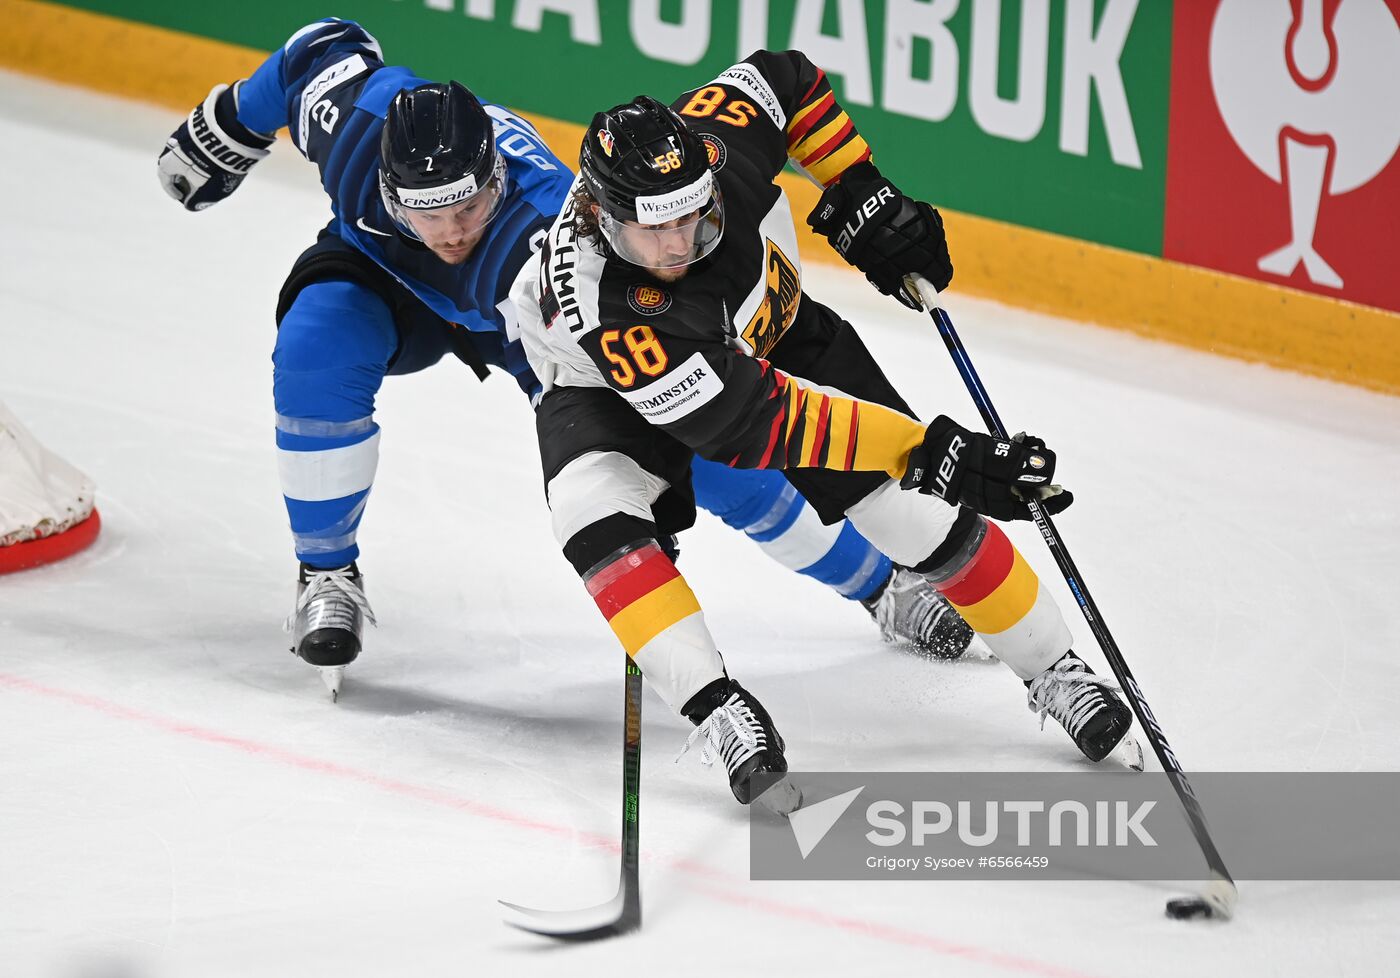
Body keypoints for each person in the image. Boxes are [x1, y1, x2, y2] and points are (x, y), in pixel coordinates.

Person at [153, 19, 973, 698]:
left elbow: (671, 386)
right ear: (389, 189)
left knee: (717, 462)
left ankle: (878, 583)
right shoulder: (358, 125)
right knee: (313, 347)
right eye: (425, 213)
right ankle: (326, 574)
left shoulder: (547, 241)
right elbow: (314, 51)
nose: (449, 231)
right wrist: (227, 123)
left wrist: (648, 445)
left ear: (496, 178)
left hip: (528, 324)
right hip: (380, 275)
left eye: (469, 205)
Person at [512, 52, 1141, 809]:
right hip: (605, 392)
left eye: (691, 216)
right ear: (604, 220)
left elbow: (786, 80)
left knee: (919, 517)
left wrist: (857, 183)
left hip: (772, 337)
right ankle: (720, 709)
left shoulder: (714, 144)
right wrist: (929, 451)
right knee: (594, 517)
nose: (679, 244)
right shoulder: (617, 310)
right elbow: (767, 425)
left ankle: (1053, 668)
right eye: (656, 231)